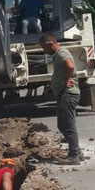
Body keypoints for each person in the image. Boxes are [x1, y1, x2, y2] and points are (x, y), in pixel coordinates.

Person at [39, 34, 83, 165]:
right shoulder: (58, 54)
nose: (44, 51)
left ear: (49, 44)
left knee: (68, 125)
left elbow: (69, 66)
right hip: (64, 94)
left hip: (68, 94)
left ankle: (74, 155)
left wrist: (66, 79)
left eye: (44, 48)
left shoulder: (62, 52)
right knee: (62, 124)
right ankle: (77, 151)